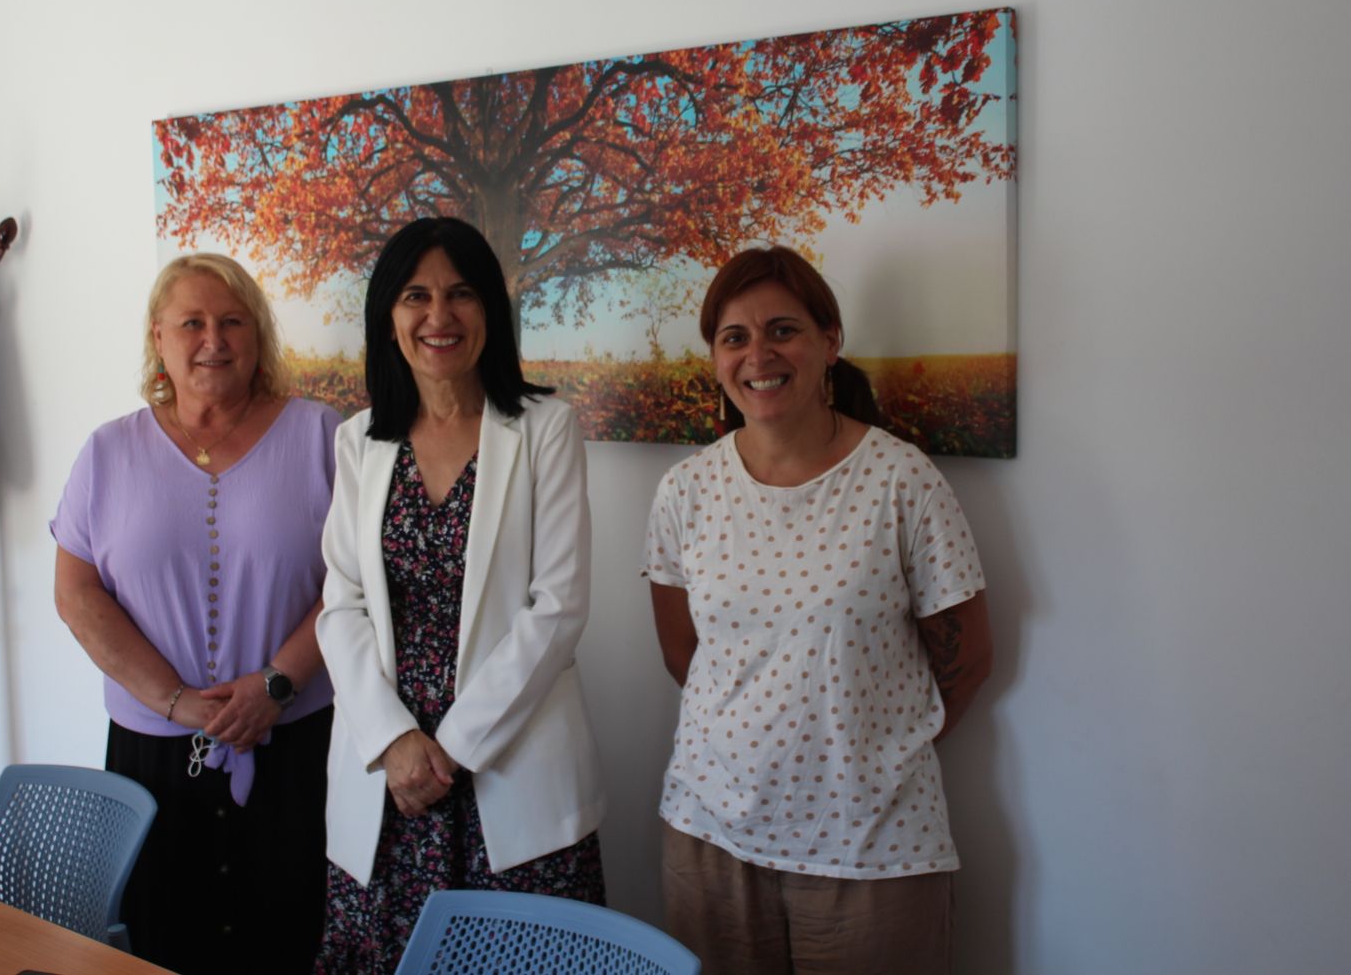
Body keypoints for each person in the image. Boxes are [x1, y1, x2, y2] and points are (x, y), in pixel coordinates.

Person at [644, 245, 993, 974]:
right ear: (714, 357)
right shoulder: (685, 490)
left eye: (783, 330)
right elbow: (685, 653)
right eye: (734, 337)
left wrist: (869, 753)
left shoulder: (902, 482)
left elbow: (969, 659)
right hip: (709, 839)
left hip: (871, 849)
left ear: (830, 341)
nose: (758, 354)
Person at [314, 217, 606, 973]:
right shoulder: (360, 441)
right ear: (389, 315)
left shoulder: (544, 428)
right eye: (416, 295)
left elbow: (559, 608)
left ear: (490, 313)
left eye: (461, 294)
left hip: (508, 770)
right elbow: (339, 603)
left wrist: (449, 751)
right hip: (387, 778)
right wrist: (395, 741)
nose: (438, 316)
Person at [52, 253, 339, 974]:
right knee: (161, 940)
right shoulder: (107, 451)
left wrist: (274, 685)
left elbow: (358, 583)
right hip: (151, 753)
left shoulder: (322, 436)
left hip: (294, 742)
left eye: (232, 321)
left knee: (292, 938)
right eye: (192, 322)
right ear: (159, 337)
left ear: (258, 336)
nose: (213, 338)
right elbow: (78, 594)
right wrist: (175, 701)